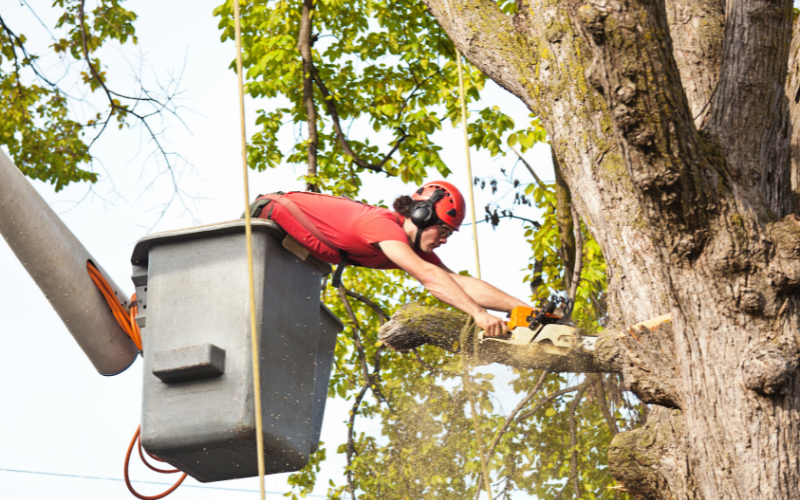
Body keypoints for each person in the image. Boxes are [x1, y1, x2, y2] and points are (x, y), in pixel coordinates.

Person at [251, 181, 529, 337]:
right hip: (262, 224)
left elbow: (457, 282)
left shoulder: (410, 246)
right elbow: (430, 277)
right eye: (442, 230)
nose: (443, 240)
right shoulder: (382, 227)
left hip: (287, 251)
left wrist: (523, 310)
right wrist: (479, 315)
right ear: (421, 215)